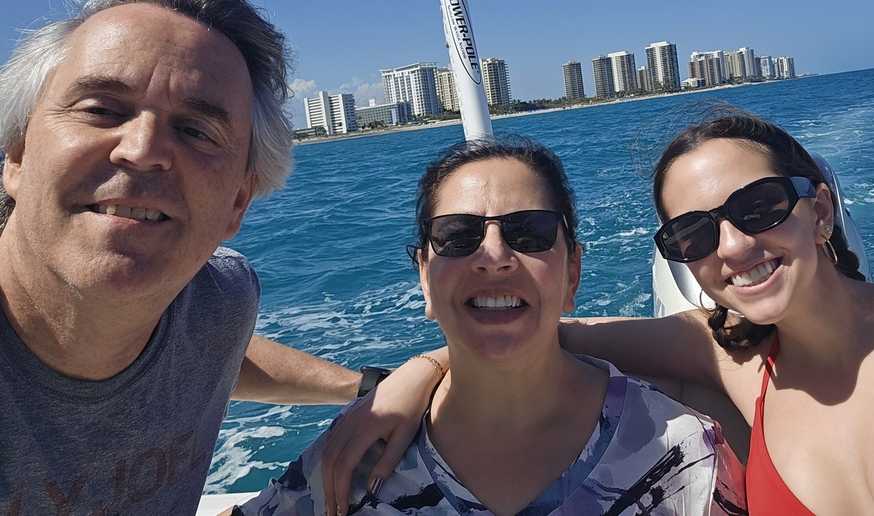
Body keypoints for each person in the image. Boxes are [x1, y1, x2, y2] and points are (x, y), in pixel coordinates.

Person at [324, 108, 874, 516]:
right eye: (694, 234)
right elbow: (531, 329)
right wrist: (417, 373)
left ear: (820, 211)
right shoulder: (732, 361)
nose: (734, 245)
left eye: (760, 207)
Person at [0, 0, 372, 515]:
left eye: (196, 131)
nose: (142, 149)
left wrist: (367, 389)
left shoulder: (219, 297)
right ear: (16, 156)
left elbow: (209, 350)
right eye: (100, 109)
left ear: (238, 202)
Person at [233, 137, 747, 516]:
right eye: (458, 235)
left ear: (572, 273)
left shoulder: (682, 457)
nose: (494, 255)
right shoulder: (353, 455)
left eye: (530, 231)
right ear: (424, 276)